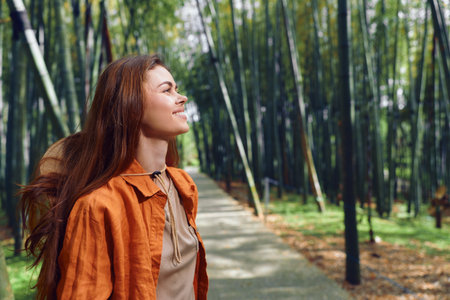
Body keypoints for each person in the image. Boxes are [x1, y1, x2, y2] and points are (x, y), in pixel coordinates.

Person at [20, 54, 208, 300]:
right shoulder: (99, 206)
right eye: (167, 90)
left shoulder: (183, 185)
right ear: (132, 105)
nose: (181, 97)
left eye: (177, 89)